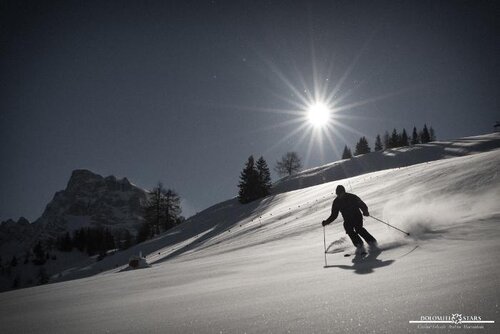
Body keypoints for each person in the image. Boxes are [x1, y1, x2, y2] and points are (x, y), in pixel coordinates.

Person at [322, 185, 377, 254]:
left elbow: (362, 204)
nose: (339, 195)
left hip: (357, 216)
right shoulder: (336, 202)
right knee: (348, 229)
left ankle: (372, 242)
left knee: (358, 229)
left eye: (340, 193)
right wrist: (326, 222)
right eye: (337, 194)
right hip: (347, 219)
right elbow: (334, 215)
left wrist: (365, 211)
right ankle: (359, 245)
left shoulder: (352, 197)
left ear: (344, 192)